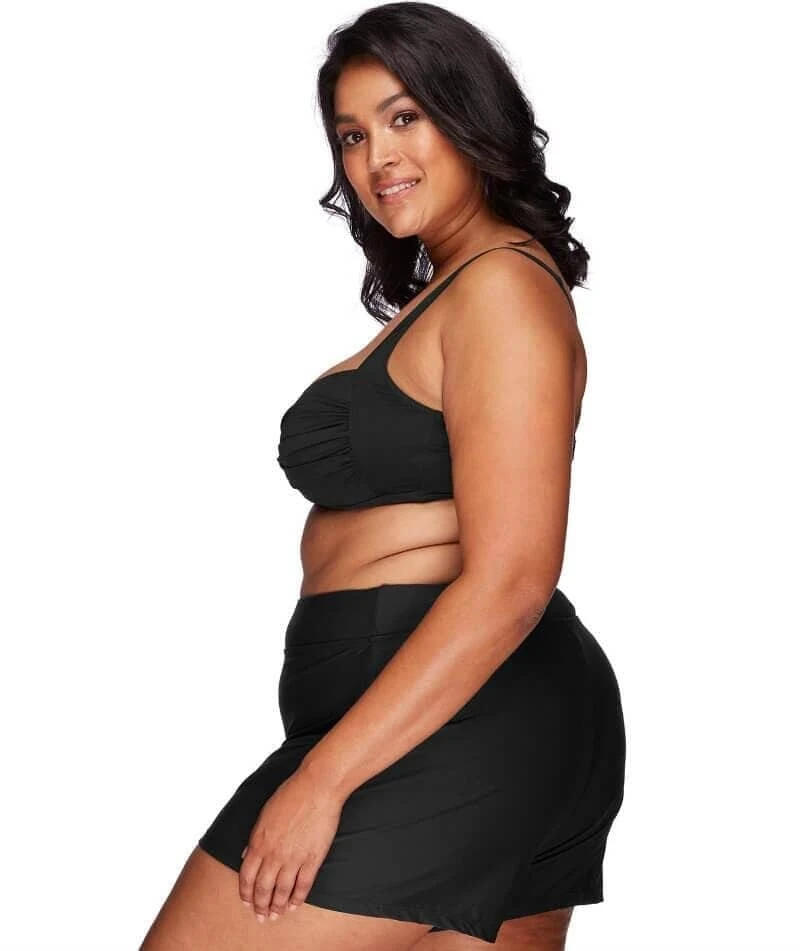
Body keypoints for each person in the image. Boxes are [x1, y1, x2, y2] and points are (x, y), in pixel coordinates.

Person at [140, 3, 626, 949]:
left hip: (454, 721)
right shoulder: (458, 288)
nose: (376, 158)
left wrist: (320, 779)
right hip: (451, 717)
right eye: (353, 135)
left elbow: (512, 580)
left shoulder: (501, 289)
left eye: (405, 117)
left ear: (470, 115)